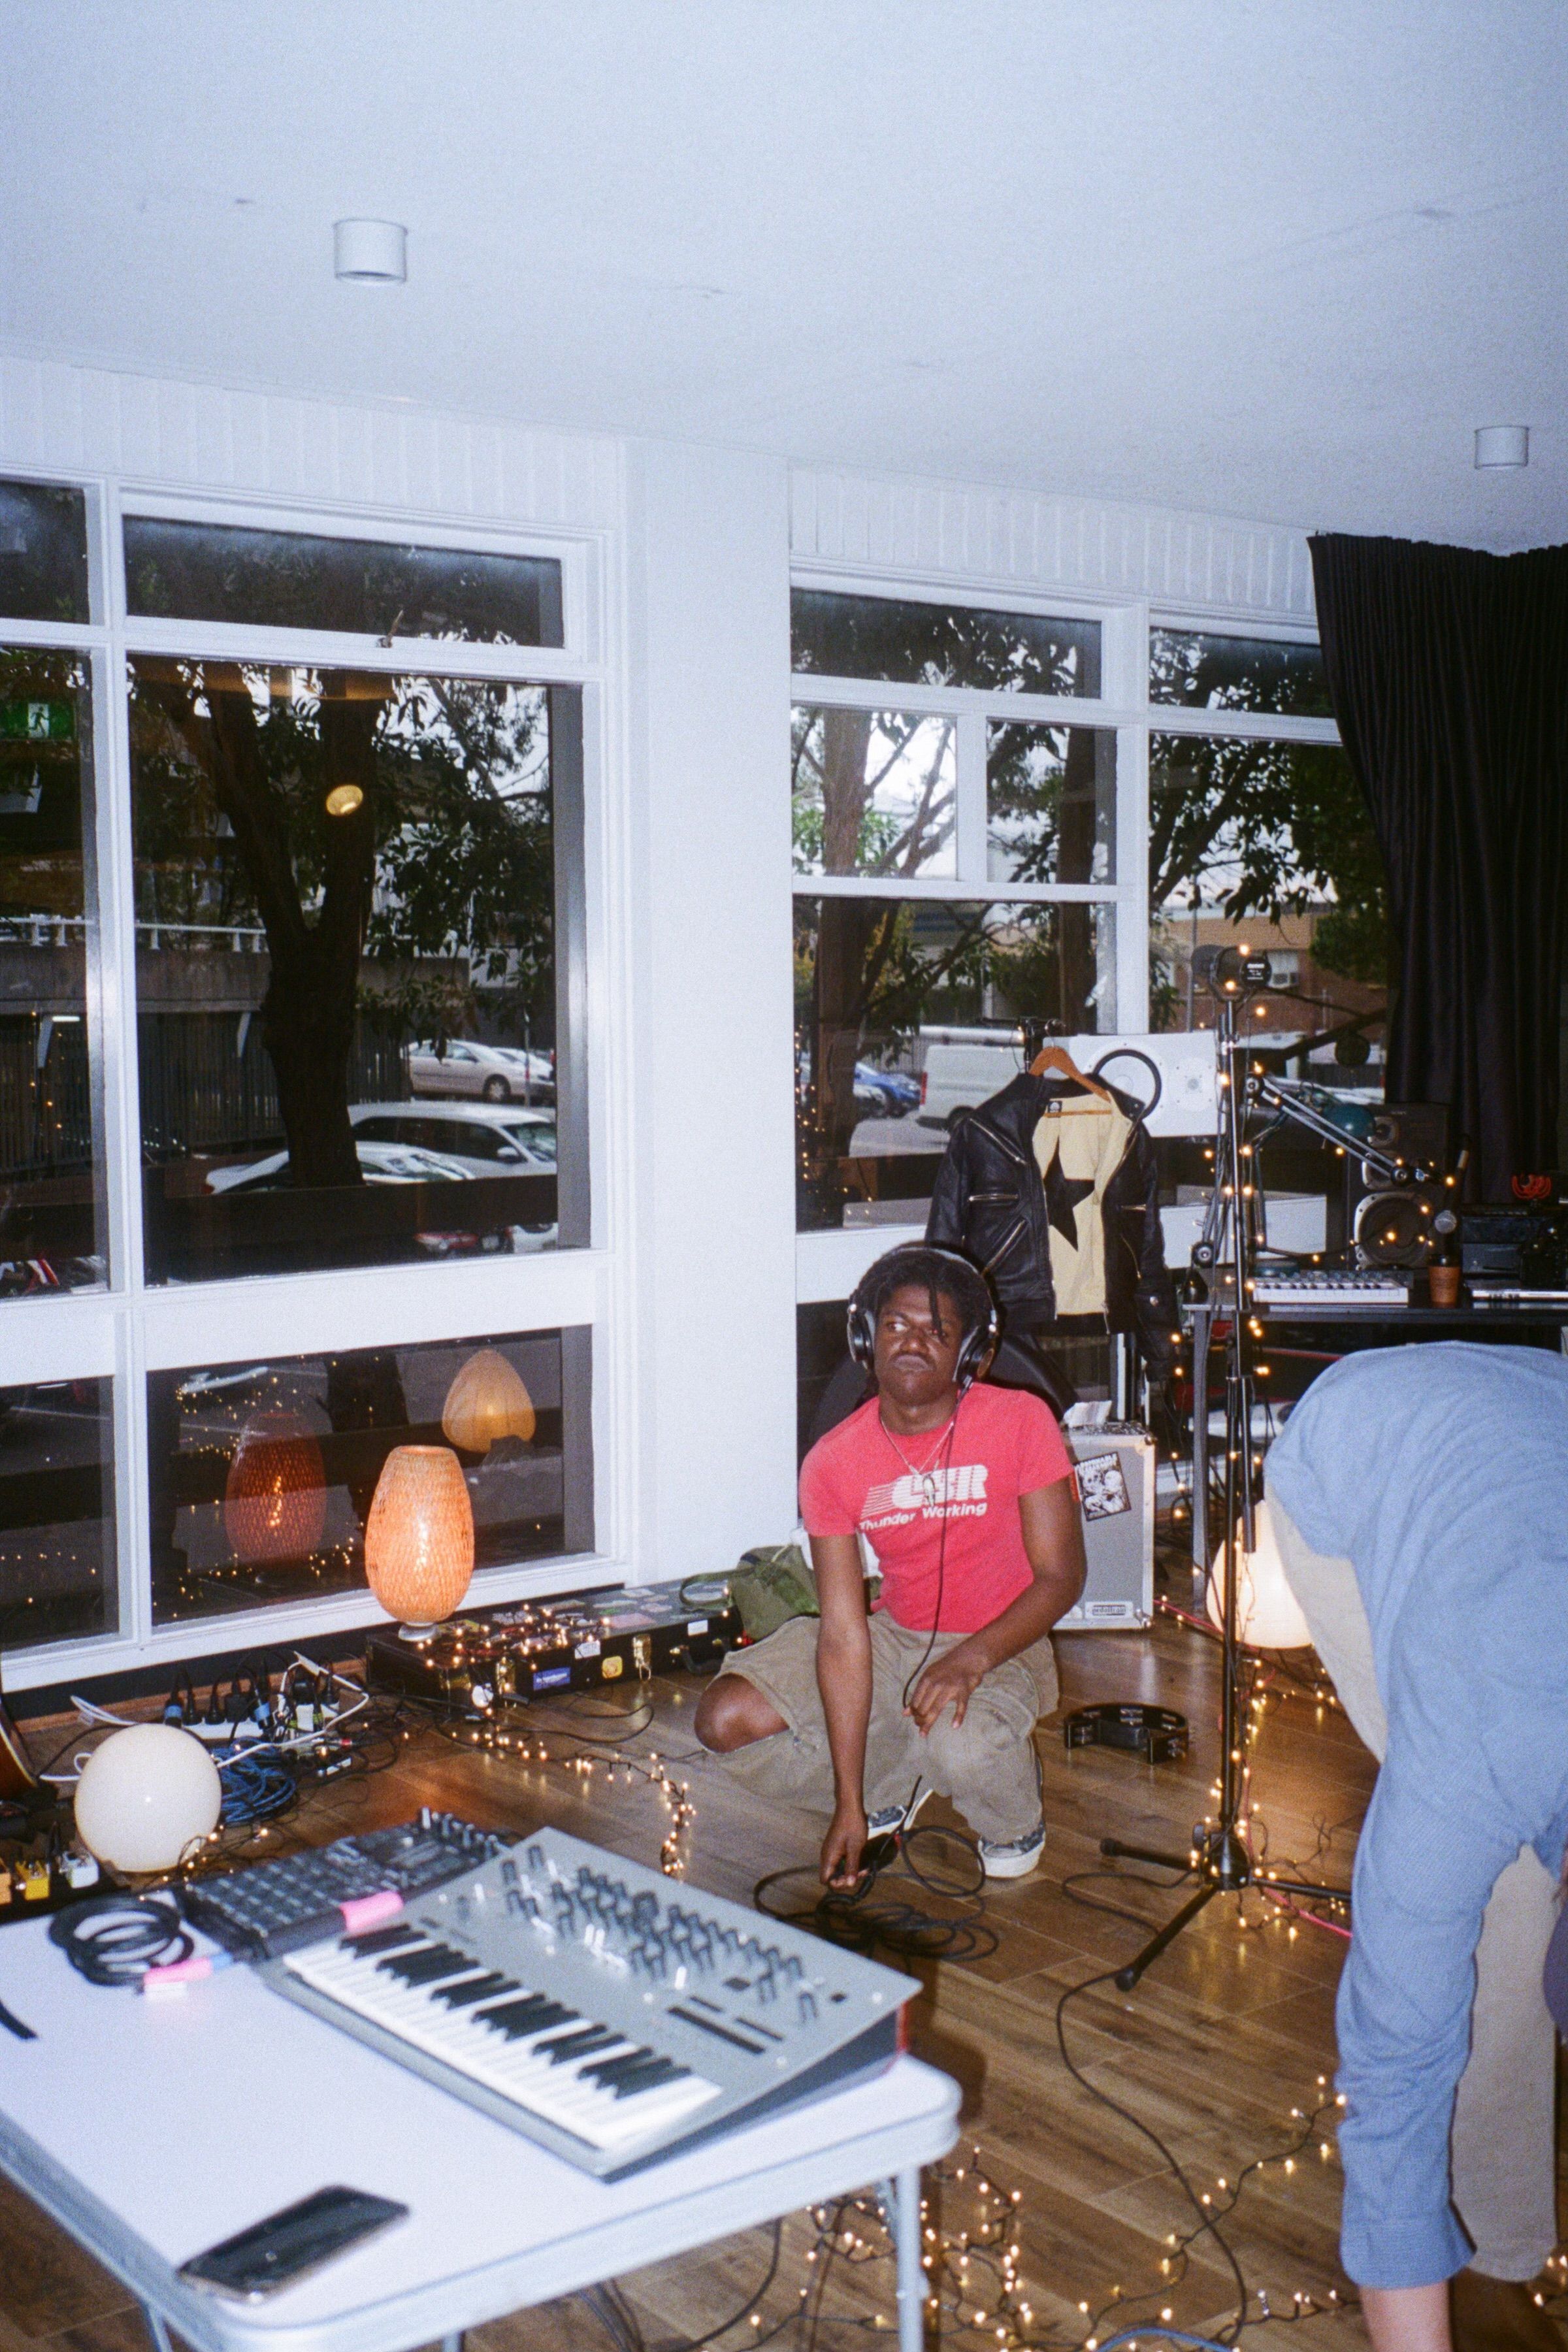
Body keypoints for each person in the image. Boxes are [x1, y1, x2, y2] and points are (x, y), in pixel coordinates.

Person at [1264, 1343, 1568, 2352]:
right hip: (1354, 1446)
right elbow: (1392, 2076)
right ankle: (1487, 2255)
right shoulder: (1471, 1758)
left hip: (1537, 1411)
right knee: (1494, 1900)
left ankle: (1497, 2247)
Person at [695, 1245, 1086, 1886]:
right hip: (894, 1636)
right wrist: (847, 1803)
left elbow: (1061, 1579)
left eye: (939, 1330)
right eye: (897, 1324)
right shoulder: (832, 1461)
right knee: (726, 1720)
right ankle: (892, 1785)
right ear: (866, 1339)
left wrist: (970, 1660)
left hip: (1002, 1642)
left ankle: (1012, 1818)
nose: (912, 1341)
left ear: (970, 1353)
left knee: (962, 1748)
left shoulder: (1020, 1421)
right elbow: (843, 1634)